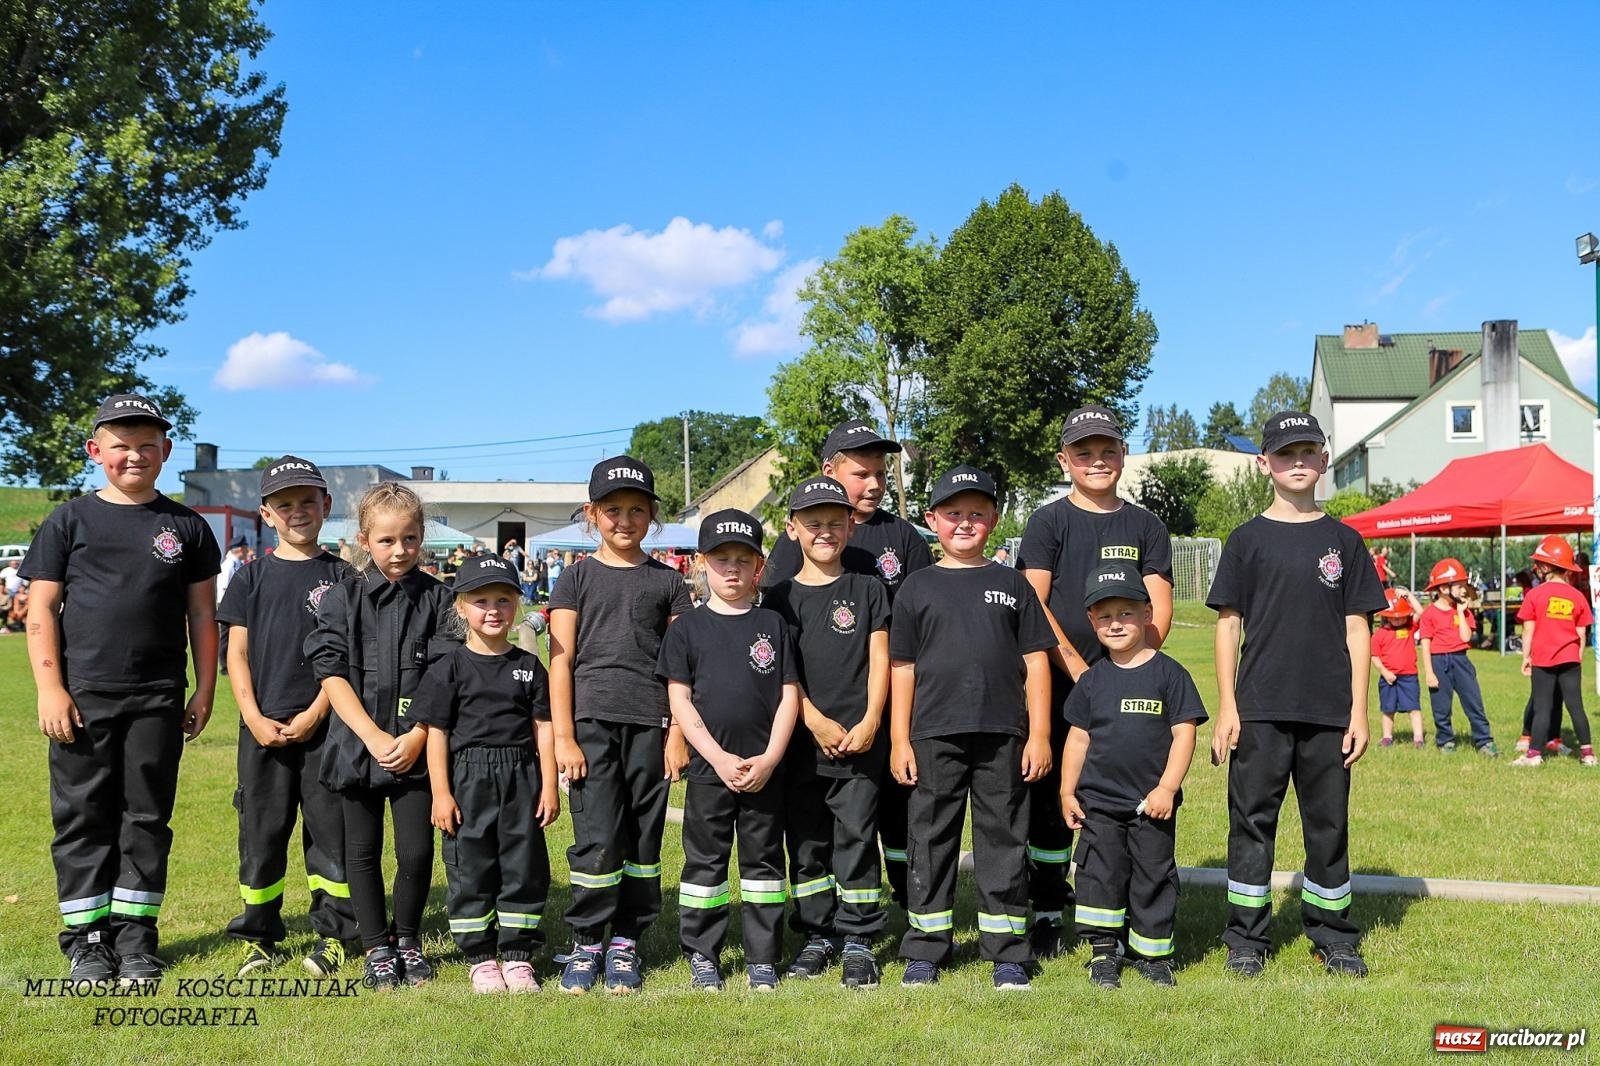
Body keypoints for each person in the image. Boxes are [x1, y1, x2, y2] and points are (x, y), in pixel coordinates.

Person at [21, 393, 221, 985]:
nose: (133, 456)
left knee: (146, 817)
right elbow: (41, 608)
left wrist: (205, 689)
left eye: (145, 446)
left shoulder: (186, 526)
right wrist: (50, 689)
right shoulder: (69, 520)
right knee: (84, 815)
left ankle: (135, 941)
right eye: (119, 446)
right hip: (82, 697)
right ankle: (87, 940)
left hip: (158, 696)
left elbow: (202, 618)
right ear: (95, 451)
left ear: (165, 451)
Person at [1207, 411, 1387, 979]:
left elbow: (1359, 628)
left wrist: (1359, 710)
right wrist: (1228, 707)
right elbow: (1227, 626)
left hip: (1329, 711)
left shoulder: (1345, 540)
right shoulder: (1245, 540)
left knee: (1328, 826)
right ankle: (1246, 939)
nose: (1298, 463)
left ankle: (1332, 935)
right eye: (1286, 454)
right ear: (1265, 464)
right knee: (1251, 825)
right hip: (1259, 709)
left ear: (1324, 459)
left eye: (1309, 452)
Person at [1018, 404, 1174, 958]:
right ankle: (1045, 909)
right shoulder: (1048, 522)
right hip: (1059, 686)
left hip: (1130, 691)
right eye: (1084, 453)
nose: (1098, 461)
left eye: (1108, 450)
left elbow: (1159, 606)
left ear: (1124, 454)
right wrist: (1083, 675)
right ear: (1065, 461)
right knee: (1052, 801)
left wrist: (1132, 673)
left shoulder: (1146, 525)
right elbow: (1033, 603)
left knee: (1129, 795)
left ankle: (1137, 910)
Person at [891, 466, 1055, 991]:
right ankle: (925, 948)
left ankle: (1007, 950)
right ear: (931, 519)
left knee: (1003, 838)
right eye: (954, 513)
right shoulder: (916, 588)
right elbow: (902, 669)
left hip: (1004, 732)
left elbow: (1036, 662)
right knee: (930, 838)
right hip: (933, 733)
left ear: (995, 519)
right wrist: (899, 739)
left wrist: (1040, 734)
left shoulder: (1012, 583)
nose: (965, 523)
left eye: (977, 513)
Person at [760, 419, 932, 908]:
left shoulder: (903, 537)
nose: (875, 483)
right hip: (811, 713)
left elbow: (916, 631)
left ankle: (904, 903)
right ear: (829, 470)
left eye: (881, 472)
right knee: (815, 828)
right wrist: (807, 714)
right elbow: (775, 635)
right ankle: (821, 922)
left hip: (885, 706)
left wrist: (885, 716)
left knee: (893, 816)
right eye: (861, 473)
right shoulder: (796, 544)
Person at [548, 457, 692, 995]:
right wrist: (564, 736)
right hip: (590, 726)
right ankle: (587, 942)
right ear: (592, 514)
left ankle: (627, 940)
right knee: (597, 839)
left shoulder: (670, 582)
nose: (624, 520)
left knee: (643, 839)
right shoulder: (575, 576)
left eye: (637, 510)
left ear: (652, 516)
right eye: (612, 510)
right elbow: (560, 661)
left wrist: (676, 734)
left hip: (651, 726)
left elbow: (682, 666)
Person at [305, 482, 456, 990]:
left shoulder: (439, 598)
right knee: (362, 852)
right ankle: (376, 948)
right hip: (357, 747)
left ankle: (408, 941)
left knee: (416, 853)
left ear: (422, 538)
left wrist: (416, 735)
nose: (400, 551)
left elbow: (446, 674)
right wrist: (370, 735)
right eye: (387, 541)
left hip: (418, 747)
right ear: (365, 540)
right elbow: (330, 672)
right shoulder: (341, 597)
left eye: (410, 539)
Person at [220, 457, 358, 978]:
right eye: (285, 504)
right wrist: (253, 716)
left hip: (328, 729)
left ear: (326, 506)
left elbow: (349, 658)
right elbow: (236, 654)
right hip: (262, 730)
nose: (297, 511)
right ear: (266, 514)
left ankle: (336, 933)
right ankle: (259, 935)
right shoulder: (250, 578)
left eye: (307, 501)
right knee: (261, 834)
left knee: (331, 836)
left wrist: (317, 710)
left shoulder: (346, 577)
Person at [657, 509, 800, 992]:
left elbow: (789, 697)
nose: (732, 569)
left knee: (763, 866)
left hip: (764, 772)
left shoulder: (774, 624)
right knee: (705, 866)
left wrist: (771, 758)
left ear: (759, 566)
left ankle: (762, 958)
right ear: (702, 564)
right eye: (721, 559)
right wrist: (716, 758)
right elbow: (680, 700)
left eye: (744, 559)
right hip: (708, 771)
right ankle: (703, 954)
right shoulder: (686, 630)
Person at [763, 476, 891, 989]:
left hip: (860, 740)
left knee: (858, 838)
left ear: (850, 525)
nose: (824, 532)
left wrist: (871, 720)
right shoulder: (777, 598)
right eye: (812, 523)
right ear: (792, 529)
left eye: (834, 523)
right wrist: (811, 718)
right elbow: (776, 672)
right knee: (809, 841)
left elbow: (880, 659)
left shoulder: (869, 588)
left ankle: (859, 937)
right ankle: (818, 932)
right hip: (800, 738)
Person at [414, 555, 559, 992]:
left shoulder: (530, 667)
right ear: (460, 607)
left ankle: (516, 956)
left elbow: (544, 729)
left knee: (523, 863)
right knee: (470, 865)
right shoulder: (448, 669)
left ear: (517, 604)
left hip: (521, 774)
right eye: (481, 601)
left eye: (503, 599)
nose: (493, 609)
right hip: (468, 777)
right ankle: (480, 957)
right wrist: (441, 792)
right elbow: (436, 735)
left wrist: (549, 784)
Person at [1059, 563, 1206, 989]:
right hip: (1099, 806)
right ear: (1091, 621)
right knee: (1100, 878)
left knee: (1152, 877)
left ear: (1147, 614)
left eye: (1126, 613)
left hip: (1151, 807)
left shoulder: (1170, 675)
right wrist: (1068, 791)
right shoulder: (1090, 683)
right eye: (1104, 616)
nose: (1115, 624)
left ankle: (1152, 954)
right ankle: (1104, 953)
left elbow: (1183, 736)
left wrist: (1167, 787)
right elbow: (1077, 741)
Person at [1512, 535, 1595, 767]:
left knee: (1542, 707)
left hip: (1543, 660)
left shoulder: (1535, 595)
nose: (1536, 568)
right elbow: (1581, 634)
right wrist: (1577, 658)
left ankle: (1534, 755)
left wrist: (1526, 657)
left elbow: (1528, 630)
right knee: (1576, 706)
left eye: (1538, 564)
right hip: (1570, 660)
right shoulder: (1578, 596)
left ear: (1547, 567)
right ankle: (1588, 754)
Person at [1417, 557, 1498, 756]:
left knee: (1474, 702)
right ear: (1444, 588)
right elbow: (1425, 644)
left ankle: (1484, 741)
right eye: (1460, 586)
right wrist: (1429, 672)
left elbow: (1465, 637)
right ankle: (1445, 741)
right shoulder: (1429, 614)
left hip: (1461, 660)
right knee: (1441, 706)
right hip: (1438, 662)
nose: (1464, 590)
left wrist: (1462, 613)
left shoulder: (1464, 611)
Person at [1371, 589, 1425, 748]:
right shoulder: (1379, 634)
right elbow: (1375, 656)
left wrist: (1408, 596)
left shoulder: (1409, 627)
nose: (1400, 620)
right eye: (1396, 618)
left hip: (1409, 677)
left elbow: (1421, 612)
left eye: (1402, 616)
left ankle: (1418, 738)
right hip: (1388, 679)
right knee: (1388, 710)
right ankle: (1387, 737)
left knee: (1414, 708)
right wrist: (1384, 672)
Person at [217, 534, 249, 675]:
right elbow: (225, 587)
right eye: (245, 548)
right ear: (240, 549)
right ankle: (224, 665)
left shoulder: (237, 564)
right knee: (225, 636)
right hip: (227, 604)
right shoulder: (229, 565)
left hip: (235, 604)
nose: (247, 551)